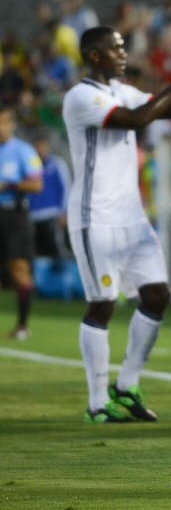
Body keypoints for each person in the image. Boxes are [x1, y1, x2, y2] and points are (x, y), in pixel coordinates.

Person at [63, 26, 171, 423]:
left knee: (157, 294)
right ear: (94, 55)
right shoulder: (81, 96)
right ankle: (96, 403)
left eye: (124, 47)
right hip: (95, 217)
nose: (124, 54)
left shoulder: (121, 89)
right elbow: (138, 118)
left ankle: (126, 385)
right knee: (103, 304)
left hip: (132, 217)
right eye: (116, 48)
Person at [0, 106, 42, 340]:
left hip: (13, 215)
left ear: (11, 124)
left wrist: (8, 185)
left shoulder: (23, 151)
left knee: (19, 270)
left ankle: (23, 325)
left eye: (4, 123)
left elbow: (36, 185)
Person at [29, 134, 70, 261]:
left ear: (47, 147)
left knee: (56, 252)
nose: (40, 149)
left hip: (52, 216)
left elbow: (66, 187)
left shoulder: (57, 164)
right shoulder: (29, 165)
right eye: (37, 146)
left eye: (42, 146)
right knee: (36, 254)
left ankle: (61, 280)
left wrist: (64, 212)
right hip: (32, 217)